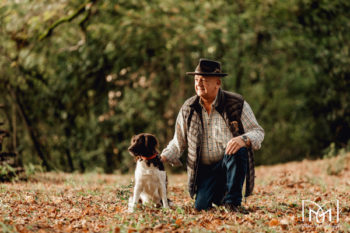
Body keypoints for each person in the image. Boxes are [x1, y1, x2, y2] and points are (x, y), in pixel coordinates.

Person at [160, 58, 264, 212]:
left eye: (204, 80)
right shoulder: (188, 108)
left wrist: (243, 139)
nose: (199, 84)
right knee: (201, 207)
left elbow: (258, 132)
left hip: (229, 163)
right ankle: (221, 194)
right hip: (205, 171)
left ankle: (233, 203)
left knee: (238, 149)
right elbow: (178, 142)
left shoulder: (236, 103)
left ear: (218, 83)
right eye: (196, 80)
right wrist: (162, 157)